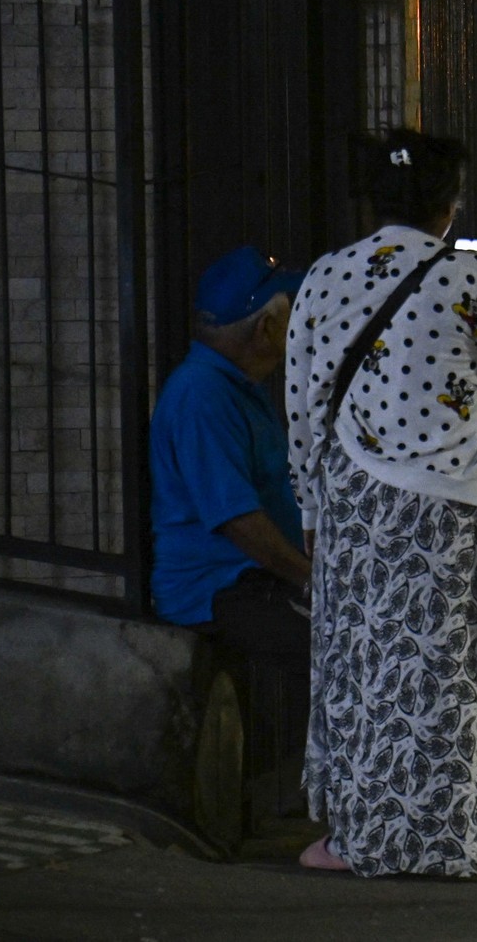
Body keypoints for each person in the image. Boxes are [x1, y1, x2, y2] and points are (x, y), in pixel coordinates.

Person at [285, 130, 477, 876]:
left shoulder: (325, 277)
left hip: (353, 505)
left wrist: (311, 508)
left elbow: (303, 408)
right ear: (447, 204)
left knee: (364, 665)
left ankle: (356, 836)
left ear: (375, 200)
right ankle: (456, 836)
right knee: (447, 666)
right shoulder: (470, 277)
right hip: (452, 503)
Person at [150, 246, 311, 672]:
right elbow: (239, 522)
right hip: (217, 587)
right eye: (291, 311)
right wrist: (312, 578)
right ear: (267, 326)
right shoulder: (202, 395)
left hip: (249, 578)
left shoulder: (233, 386)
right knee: (344, 648)